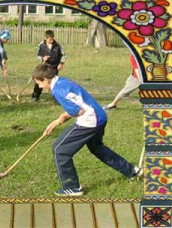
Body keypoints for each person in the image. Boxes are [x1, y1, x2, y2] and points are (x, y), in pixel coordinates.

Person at [32, 64, 143, 196]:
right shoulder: (63, 81)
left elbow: (77, 110)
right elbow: (79, 104)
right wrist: (58, 120)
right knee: (97, 147)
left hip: (90, 121)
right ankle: (132, 170)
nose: (39, 87)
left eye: (39, 83)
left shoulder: (57, 90)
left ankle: (72, 187)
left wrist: (61, 118)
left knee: (59, 149)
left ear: (46, 79)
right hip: (100, 116)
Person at [32, 30, 66, 102]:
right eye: (50, 39)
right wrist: (42, 58)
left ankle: (57, 98)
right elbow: (38, 55)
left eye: (52, 39)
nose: (51, 41)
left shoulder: (57, 45)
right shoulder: (41, 45)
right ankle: (35, 96)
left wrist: (61, 63)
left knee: (54, 82)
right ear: (45, 38)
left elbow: (63, 55)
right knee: (40, 80)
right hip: (44, 66)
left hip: (54, 67)